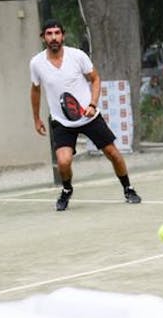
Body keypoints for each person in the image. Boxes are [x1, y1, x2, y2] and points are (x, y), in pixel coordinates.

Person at [29, 19, 141, 211]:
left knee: (113, 153)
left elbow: (96, 79)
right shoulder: (37, 63)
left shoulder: (78, 56)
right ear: (43, 37)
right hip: (62, 121)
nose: (54, 37)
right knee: (63, 162)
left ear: (63, 36)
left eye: (57, 33)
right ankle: (66, 190)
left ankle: (128, 188)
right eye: (49, 34)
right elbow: (35, 90)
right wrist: (37, 118)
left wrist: (92, 104)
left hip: (88, 116)